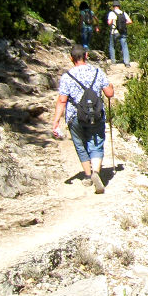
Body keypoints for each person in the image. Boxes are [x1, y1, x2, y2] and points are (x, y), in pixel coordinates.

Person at [51, 44, 114, 193]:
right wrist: (111, 86)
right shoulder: (98, 72)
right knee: (96, 144)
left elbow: (62, 100)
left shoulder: (67, 77)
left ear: (71, 58)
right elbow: (109, 93)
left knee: (80, 145)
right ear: (86, 56)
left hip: (75, 116)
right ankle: (96, 173)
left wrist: (56, 121)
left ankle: (87, 176)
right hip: (96, 115)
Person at [107, 0, 132, 67]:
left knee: (112, 46)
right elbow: (130, 21)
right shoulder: (123, 13)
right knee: (124, 46)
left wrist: (114, 22)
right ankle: (127, 63)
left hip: (114, 32)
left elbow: (109, 23)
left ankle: (113, 61)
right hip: (123, 31)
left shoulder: (111, 13)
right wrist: (123, 24)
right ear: (119, 6)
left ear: (113, 6)